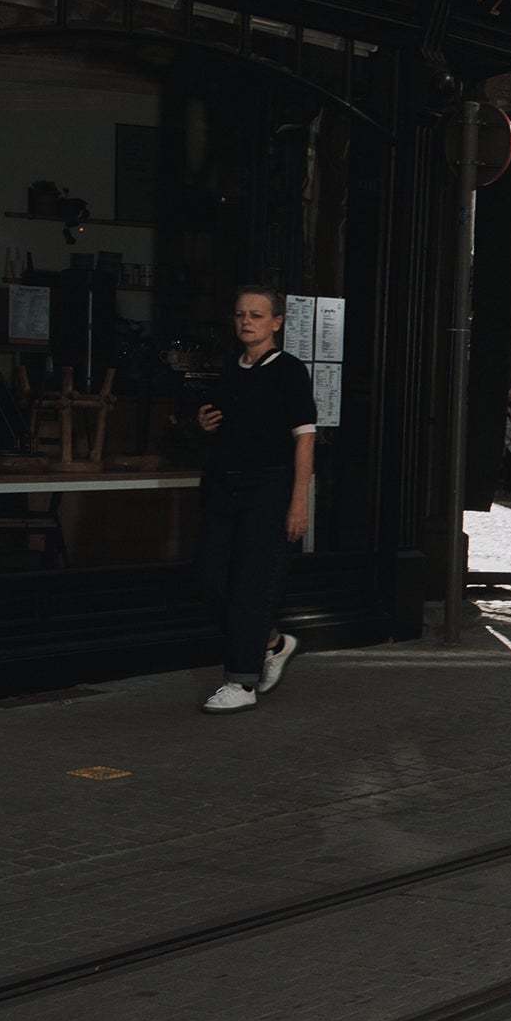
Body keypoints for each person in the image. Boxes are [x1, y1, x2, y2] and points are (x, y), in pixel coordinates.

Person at [194, 285, 315, 714]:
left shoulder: (289, 371)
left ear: (276, 323)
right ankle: (272, 642)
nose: (247, 321)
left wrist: (299, 502)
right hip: (223, 489)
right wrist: (206, 421)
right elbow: (231, 421)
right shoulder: (232, 367)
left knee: (251, 585)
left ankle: (241, 683)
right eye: (241, 314)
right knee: (210, 578)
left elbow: (305, 438)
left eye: (257, 315)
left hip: (267, 491)